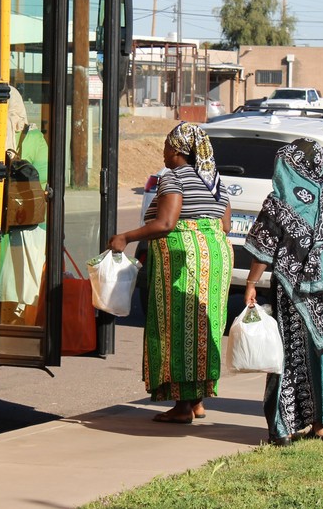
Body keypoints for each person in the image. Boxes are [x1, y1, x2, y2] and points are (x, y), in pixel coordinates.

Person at [241, 138, 323, 445]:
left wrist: (251, 285)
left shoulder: (278, 201)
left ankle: (285, 427)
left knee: (290, 355)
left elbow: (264, 249)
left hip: (295, 295)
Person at [108, 122, 232, 424]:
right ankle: (198, 400)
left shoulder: (174, 178)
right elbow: (225, 225)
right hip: (216, 257)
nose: (163, 152)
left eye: (166, 145)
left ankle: (182, 407)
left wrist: (126, 236)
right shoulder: (215, 180)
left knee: (179, 330)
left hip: (184, 261)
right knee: (206, 327)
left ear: (177, 149)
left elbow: (165, 223)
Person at [0, 86, 48, 326]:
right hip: (29, 221)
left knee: (4, 274)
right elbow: (45, 182)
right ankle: (21, 319)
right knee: (26, 275)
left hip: (1, 218)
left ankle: (2, 313)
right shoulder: (35, 138)